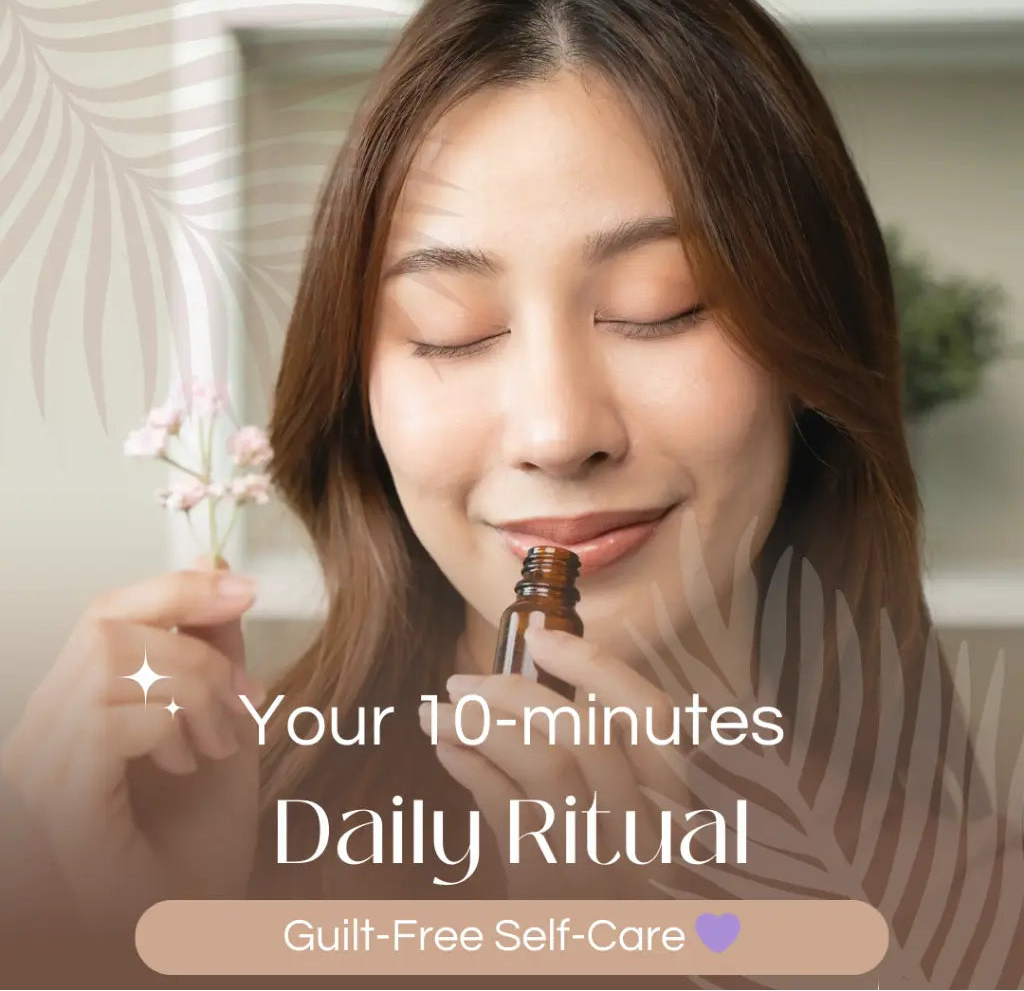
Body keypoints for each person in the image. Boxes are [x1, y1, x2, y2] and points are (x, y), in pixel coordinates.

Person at [2, 1, 1019, 987]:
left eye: (657, 307)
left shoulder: (976, 915)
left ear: (813, 342)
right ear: (357, 392)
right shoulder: (175, 821)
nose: (557, 430)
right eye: (450, 328)